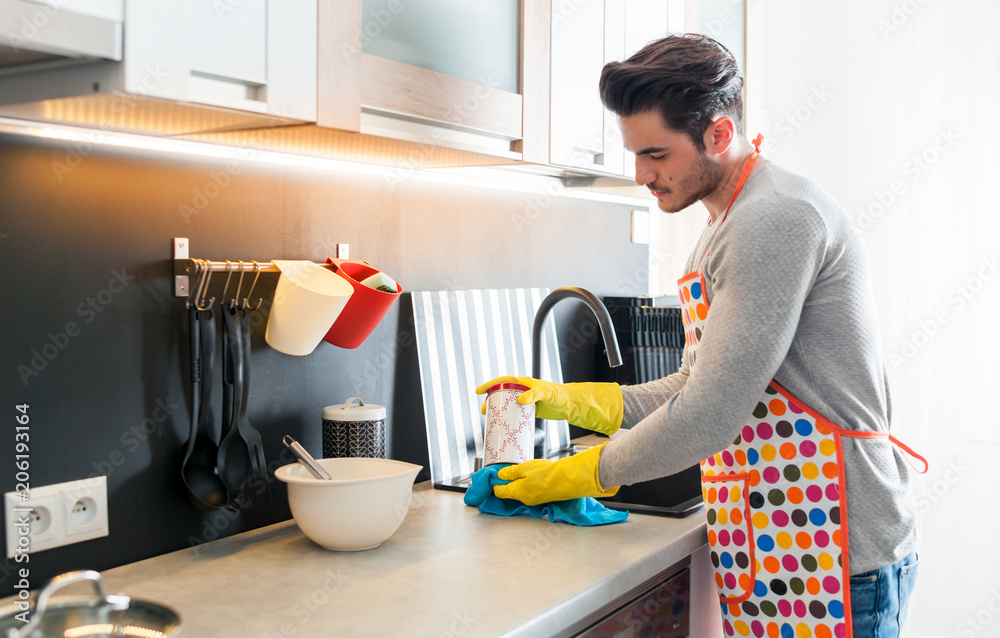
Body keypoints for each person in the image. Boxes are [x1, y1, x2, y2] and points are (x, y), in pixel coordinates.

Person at [476, 34, 926, 638]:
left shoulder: (776, 218)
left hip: (838, 544)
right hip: (787, 536)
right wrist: (574, 400)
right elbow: (695, 383)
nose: (642, 174)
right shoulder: (727, 221)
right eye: (636, 153)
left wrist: (583, 473)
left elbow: (709, 414)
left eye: (656, 153)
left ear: (718, 134)